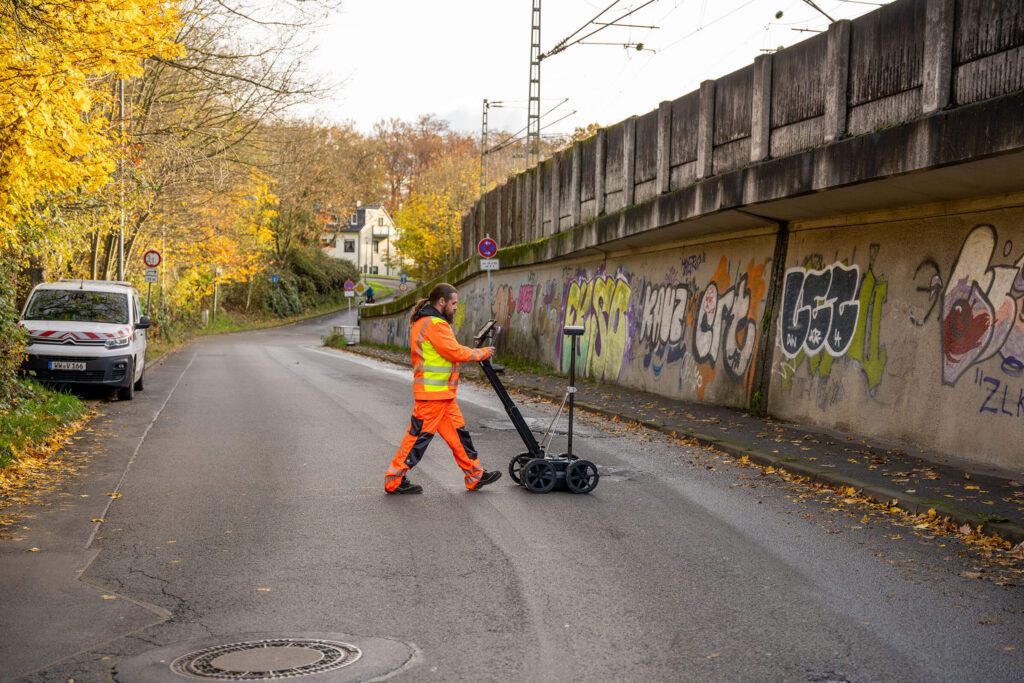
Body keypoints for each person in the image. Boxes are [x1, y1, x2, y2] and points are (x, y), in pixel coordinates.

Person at [385, 283, 501, 494]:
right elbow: (454, 352)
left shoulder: (425, 321)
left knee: (459, 436)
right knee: (418, 438)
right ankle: (394, 480)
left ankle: (475, 475)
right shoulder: (435, 324)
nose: (456, 307)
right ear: (442, 302)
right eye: (454, 303)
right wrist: (482, 353)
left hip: (442, 396)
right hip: (432, 396)